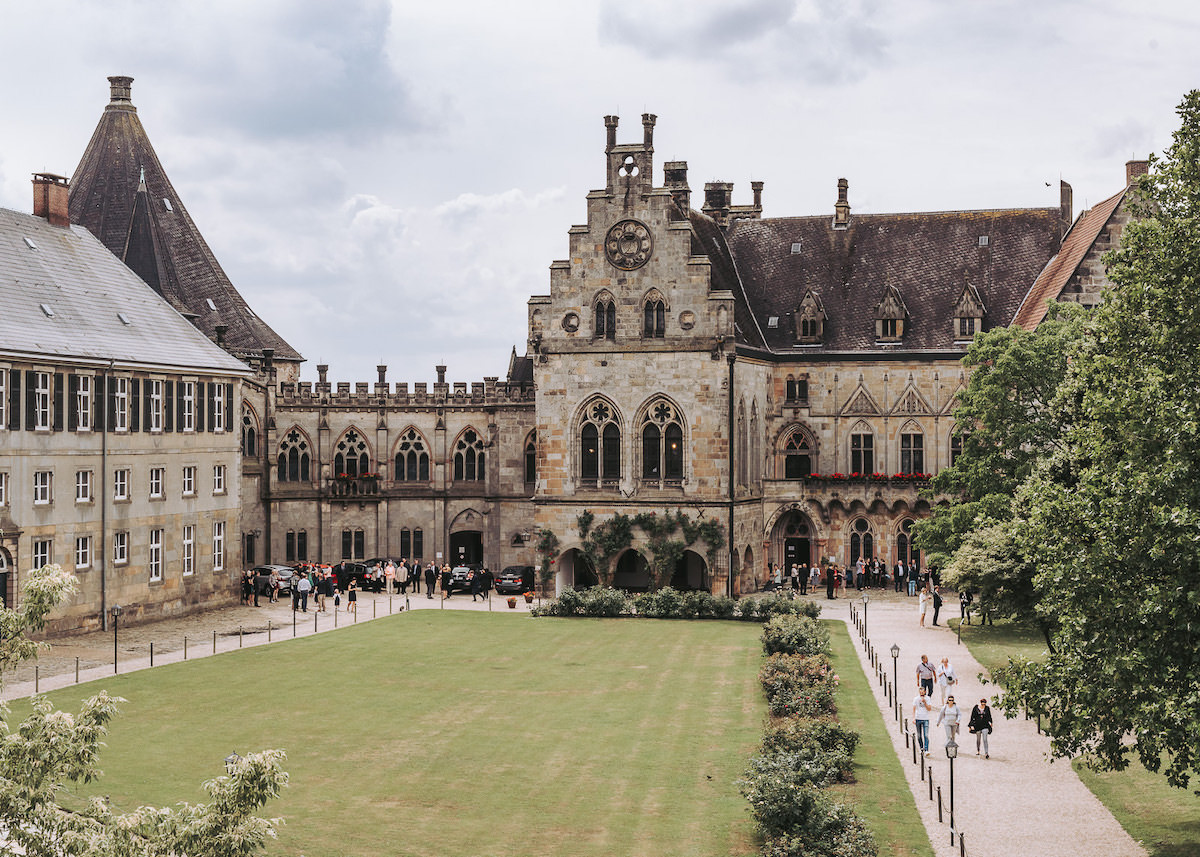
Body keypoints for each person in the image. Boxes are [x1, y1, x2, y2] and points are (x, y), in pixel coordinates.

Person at [912, 686, 933, 756]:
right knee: (919, 736)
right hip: (918, 718)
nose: (921, 693)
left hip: (925, 718)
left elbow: (929, 709)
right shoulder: (916, 699)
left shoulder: (928, 698)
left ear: (925, 692)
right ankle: (922, 748)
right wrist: (913, 718)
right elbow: (914, 709)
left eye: (923, 692)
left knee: (926, 735)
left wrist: (925, 703)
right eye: (920, 692)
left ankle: (926, 749)